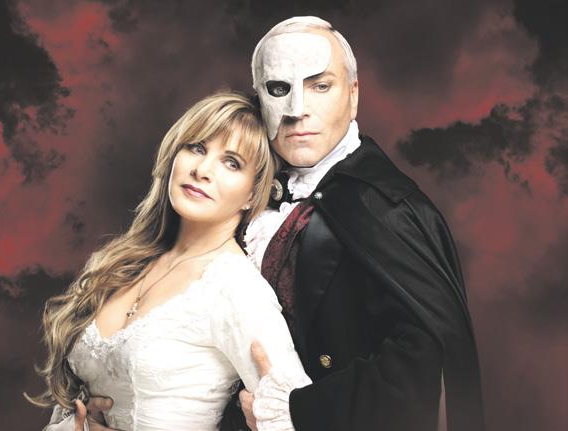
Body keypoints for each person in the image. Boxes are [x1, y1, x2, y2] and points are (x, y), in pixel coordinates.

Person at [219, 16, 486, 431]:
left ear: (354, 95)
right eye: (279, 89)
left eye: (320, 86)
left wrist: (299, 410)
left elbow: (422, 370)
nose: (297, 110)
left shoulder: (389, 208)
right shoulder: (231, 190)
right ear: (258, 99)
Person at [25, 92, 311, 431]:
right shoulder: (121, 263)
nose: (202, 170)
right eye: (197, 148)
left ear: (252, 193)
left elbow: (295, 419)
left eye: (232, 163)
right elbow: (68, 410)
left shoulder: (237, 290)